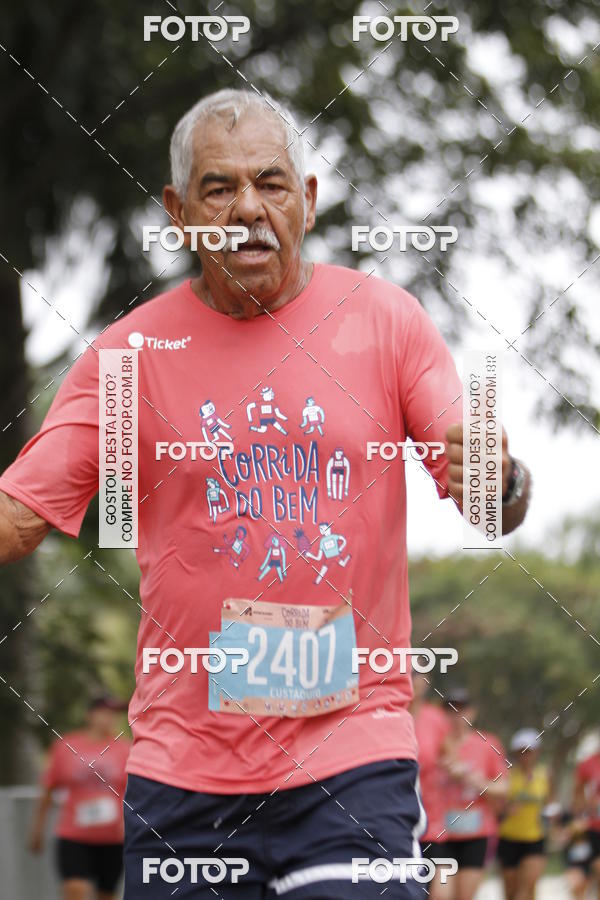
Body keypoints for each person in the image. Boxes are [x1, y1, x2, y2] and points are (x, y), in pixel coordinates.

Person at [0, 88, 531, 898]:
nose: (248, 207)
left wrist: (503, 477)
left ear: (307, 201)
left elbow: (488, 492)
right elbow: (19, 518)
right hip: (184, 770)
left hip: (351, 754)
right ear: (180, 213)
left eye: (271, 183)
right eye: (219, 188)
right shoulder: (130, 358)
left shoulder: (385, 321)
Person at [29, 695, 130, 900]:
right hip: (74, 835)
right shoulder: (66, 746)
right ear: (90, 715)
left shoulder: (125, 749)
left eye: (114, 714)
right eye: (105, 712)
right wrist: (37, 828)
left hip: (113, 837)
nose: (110, 718)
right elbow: (48, 788)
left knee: (106, 895)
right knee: (75, 890)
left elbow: (134, 794)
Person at [424, 688, 508, 900]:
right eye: (450, 711)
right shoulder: (431, 745)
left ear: (472, 713)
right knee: (440, 895)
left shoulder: (487, 744)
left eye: (461, 710)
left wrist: (472, 780)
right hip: (440, 833)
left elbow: (504, 787)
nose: (456, 716)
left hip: (476, 833)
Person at [411, 673, 451, 900]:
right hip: (399, 817)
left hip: (432, 820)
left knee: (437, 893)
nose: (415, 680)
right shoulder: (388, 712)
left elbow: (451, 758)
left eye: (418, 676)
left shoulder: (435, 719)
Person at [497, 728, 550, 900]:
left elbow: (550, 803)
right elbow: (496, 807)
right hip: (509, 838)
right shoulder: (507, 775)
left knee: (526, 887)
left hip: (534, 837)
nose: (526, 756)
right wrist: (506, 810)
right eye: (522, 752)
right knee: (511, 892)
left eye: (529, 752)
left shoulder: (545, 775)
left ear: (537, 753)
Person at [572, 746, 600, 897]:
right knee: (578, 880)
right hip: (588, 829)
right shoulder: (588, 763)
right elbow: (577, 793)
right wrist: (581, 814)